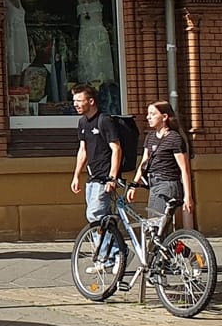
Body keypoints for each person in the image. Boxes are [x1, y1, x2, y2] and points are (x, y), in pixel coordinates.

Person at [130, 100, 195, 231]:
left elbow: (184, 169)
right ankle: (180, 251)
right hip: (153, 184)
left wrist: (188, 196)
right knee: (156, 229)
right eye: (148, 114)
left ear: (164, 117)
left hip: (168, 185)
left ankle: (177, 251)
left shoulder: (174, 138)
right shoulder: (150, 137)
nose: (148, 117)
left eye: (153, 114)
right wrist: (134, 185)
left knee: (157, 227)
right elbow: (144, 162)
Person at [69, 80, 123, 218]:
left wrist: (112, 178)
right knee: (101, 218)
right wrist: (76, 176)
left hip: (105, 177)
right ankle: (111, 240)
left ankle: (103, 240)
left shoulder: (104, 120)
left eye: (79, 100)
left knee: (95, 215)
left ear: (91, 101)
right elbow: (83, 150)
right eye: (74, 100)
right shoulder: (82, 122)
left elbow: (116, 149)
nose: (75, 104)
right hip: (92, 176)